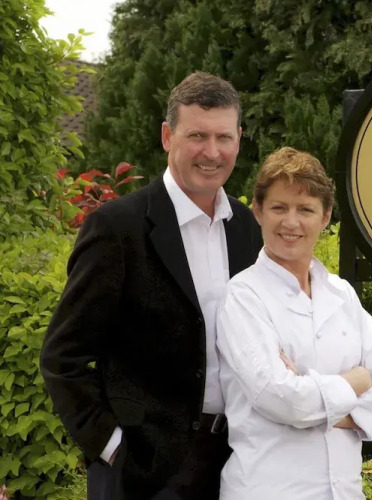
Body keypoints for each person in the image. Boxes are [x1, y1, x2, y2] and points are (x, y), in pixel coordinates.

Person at [40, 71, 263, 500]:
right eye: (197, 135)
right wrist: (111, 447)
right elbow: (62, 357)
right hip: (142, 472)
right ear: (167, 136)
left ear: (239, 138)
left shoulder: (247, 228)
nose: (212, 152)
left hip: (236, 463)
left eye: (224, 137)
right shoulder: (116, 228)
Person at [216, 147, 372, 499]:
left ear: (325, 216)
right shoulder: (244, 297)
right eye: (279, 207)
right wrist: (354, 382)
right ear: (258, 211)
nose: (291, 222)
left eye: (305, 209)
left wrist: (314, 399)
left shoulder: (341, 294)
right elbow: (279, 397)